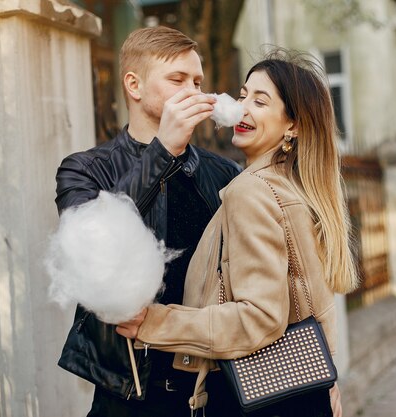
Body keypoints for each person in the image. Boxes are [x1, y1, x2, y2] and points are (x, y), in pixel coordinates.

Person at [117, 49, 359, 417]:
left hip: (259, 400)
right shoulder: (295, 188)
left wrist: (151, 322)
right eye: (243, 96)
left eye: (260, 101)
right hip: (302, 393)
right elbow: (310, 301)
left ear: (292, 125)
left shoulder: (252, 191)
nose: (242, 108)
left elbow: (258, 319)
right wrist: (326, 379)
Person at [54, 26, 241, 417]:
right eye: (177, 79)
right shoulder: (84, 170)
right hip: (129, 396)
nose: (194, 92)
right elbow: (92, 249)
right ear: (134, 86)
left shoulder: (224, 173)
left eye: (198, 81)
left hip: (215, 389)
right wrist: (162, 152)